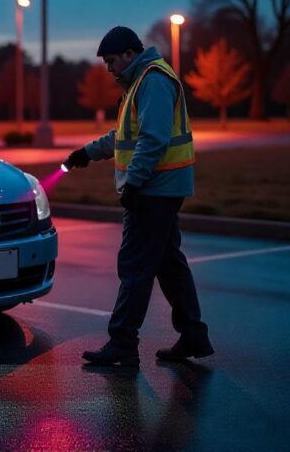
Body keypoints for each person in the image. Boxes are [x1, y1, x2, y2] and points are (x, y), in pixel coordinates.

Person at [64, 26, 213, 367]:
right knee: (168, 264)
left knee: (134, 265)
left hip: (154, 189)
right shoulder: (142, 81)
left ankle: (122, 342)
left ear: (130, 54)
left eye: (112, 60)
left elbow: (153, 138)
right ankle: (193, 335)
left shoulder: (153, 80)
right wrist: (87, 152)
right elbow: (125, 135)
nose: (108, 68)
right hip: (160, 187)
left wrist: (133, 182)